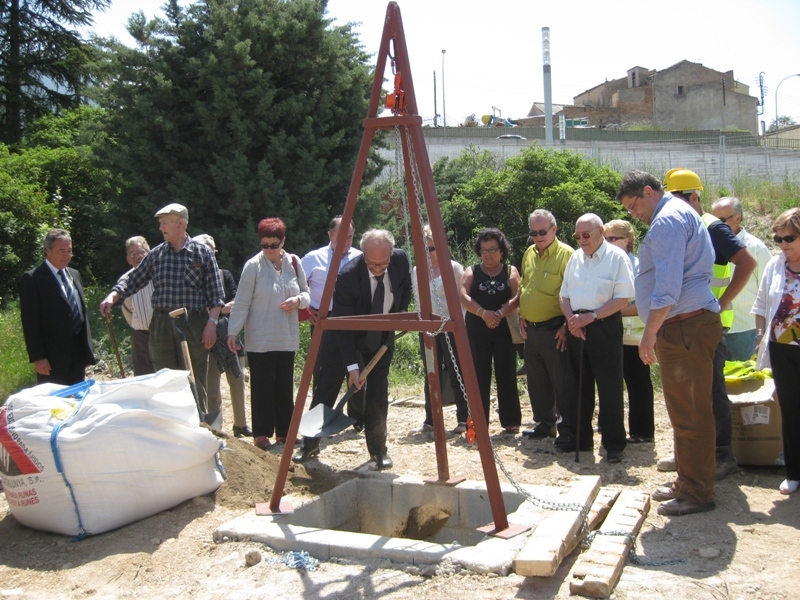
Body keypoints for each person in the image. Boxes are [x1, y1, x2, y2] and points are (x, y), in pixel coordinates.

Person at [617, 169, 721, 516]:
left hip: (684, 325)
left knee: (691, 412)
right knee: (683, 411)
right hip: (683, 324)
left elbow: (667, 287)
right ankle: (687, 481)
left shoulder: (667, 222)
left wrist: (650, 333)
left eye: (634, 206)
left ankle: (697, 491)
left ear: (648, 191)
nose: (634, 214)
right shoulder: (678, 213)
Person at [663, 169, 757, 480]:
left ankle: (722, 454)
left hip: (710, 321)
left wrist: (723, 301)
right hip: (687, 321)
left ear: (693, 198)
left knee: (710, 390)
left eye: (679, 201)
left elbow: (747, 262)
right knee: (687, 391)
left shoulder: (712, 227)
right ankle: (690, 453)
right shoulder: (684, 226)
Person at [293, 229, 412, 468]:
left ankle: (378, 450)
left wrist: (399, 315)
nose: (378, 269)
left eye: (383, 264)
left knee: (378, 394)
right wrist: (352, 367)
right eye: (372, 264)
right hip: (343, 339)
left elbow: (405, 289)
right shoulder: (347, 275)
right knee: (326, 388)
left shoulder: (400, 260)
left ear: (391, 254)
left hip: (380, 339)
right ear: (363, 255)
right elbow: (343, 327)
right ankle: (310, 443)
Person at [99, 204, 224, 415]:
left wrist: (211, 324)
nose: (161, 228)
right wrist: (113, 296)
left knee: (194, 377)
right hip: (161, 325)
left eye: (165, 223)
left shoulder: (202, 253)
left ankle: (198, 424)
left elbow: (216, 295)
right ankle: (169, 426)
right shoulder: (156, 255)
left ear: (181, 223)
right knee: (164, 379)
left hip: (193, 324)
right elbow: (132, 280)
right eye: (160, 223)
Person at [227, 218, 309, 449]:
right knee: (262, 386)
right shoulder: (252, 266)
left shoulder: (294, 261)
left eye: (274, 245)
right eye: (265, 245)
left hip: (286, 334)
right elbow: (241, 302)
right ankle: (261, 433)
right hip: (260, 336)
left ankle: (285, 432)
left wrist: (298, 300)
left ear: (283, 241)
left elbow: (307, 294)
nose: (269, 250)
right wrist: (233, 331)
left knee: (284, 386)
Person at [558, 214, 634, 462]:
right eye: (577, 236)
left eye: (586, 235)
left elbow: (622, 298)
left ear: (600, 231)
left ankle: (613, 444)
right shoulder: (575, 258)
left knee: (609, 386)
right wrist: (572, 320)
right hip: (576, 326)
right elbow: (564, 295)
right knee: (577, 386)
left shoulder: (616, 257)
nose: (581, 240)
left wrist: (591, 317)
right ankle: (581, 440)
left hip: (603, 324)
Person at [751, 207, 800, 495]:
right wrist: (760, 335)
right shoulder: (775, 264)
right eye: (778, 238)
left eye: (789, 238)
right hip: (783, 350)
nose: (783, 244)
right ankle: (794, 472)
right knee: (791, 411)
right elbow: (760, 304)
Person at [518, 209, 576, 443]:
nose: (538, 236)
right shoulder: (528, 253)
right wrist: (523, 313)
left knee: (561, 381)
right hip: (530, 329)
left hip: (555, 329)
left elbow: (573, 293)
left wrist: (565, 324)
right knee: (537, 380)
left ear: (554, 229)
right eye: (533, 232)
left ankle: (568, 429)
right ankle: (544, 423)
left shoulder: (568, 255)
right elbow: (525, 285)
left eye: (543, 231)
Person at [459, 228, 522, 434]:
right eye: (484, 250)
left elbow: (517, 297)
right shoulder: (472, 271)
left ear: (502, 251)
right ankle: (476, 424)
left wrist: (500, 313)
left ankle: (511, 420)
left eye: (493, 249)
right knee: (477, 377)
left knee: (507, 374)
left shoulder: (511, 271)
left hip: (504, 330)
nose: (488, 254)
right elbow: (463, 295)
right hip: (477, 330)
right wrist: (483, 313)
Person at [20, 228, 96, 385]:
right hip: (52, 356)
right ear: (47, 250)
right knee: (55, 403)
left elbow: (81, 313)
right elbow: (30, 322)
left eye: (69, 250)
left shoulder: (74, 274)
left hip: (77, 352)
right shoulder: (33, 278)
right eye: (61, 250)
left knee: (76, 398)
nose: (67, 255)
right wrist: (38, 357)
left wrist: (86, 351)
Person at [412, 224, 468, 434]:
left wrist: (459, 327)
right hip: (426, 328)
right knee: (431, 373)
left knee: (456, 372)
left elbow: (462, 298)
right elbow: (417, 300)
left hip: (450, 327)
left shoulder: (452, 268)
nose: (428, 254)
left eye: (432, 249)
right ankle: (431, 418)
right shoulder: (417, 270)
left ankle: (463, 416)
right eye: (424, 249)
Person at [193, 234, 251, 438]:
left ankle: (240, 425)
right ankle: (215, 427)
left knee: (237, 381)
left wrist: (215, 310)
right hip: (205, 341)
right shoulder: (192, 279)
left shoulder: (225, 275)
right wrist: (219, 309)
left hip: (230, 338)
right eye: (202, 249)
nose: (207, 253)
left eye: (210, 249)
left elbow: (237, 302)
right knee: (212, 389)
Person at [603, 219, 654, 443]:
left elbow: (646, 304)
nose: (608, 243)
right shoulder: (602, 264)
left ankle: (642, 432)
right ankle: (609, 425)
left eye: (612, 239)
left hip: (635, 337)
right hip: (609, 334)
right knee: (608, 383)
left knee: (638, 384)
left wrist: (611, 311)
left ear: (628, 240)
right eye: (605, 239)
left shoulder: (640, 266)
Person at [711, 196, 773, 361]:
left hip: (745, 330)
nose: (715, 225)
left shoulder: (755, 248)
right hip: (717, 327)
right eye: (713, 220)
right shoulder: (708, 246)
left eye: (721, 220)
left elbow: (769, 290)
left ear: (738, 218)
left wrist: (763, 332)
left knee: (749, 381)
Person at [300, 215, 362, 325]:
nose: (346, 242)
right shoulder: (313, 258)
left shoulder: (360, 258)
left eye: (349, 237)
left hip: (352, 317)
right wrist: (305, 309)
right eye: (342, 237)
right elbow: (292, 283)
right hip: (321, 317)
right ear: (330, 235)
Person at [117, 236, 154, 376]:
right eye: (133, 254)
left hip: (163, 335)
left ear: (149, 253)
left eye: (141, 252)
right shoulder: (124, 281)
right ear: (128, 259)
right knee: (143, 376)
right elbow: (126, 310)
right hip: (140, 337)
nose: (138, 257)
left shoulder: (160, 274)